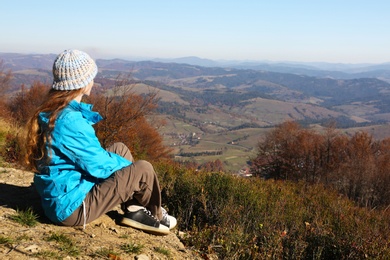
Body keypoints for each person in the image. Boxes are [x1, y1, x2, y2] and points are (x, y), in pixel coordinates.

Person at [25, 49, 176, 235]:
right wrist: (132, 171)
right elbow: (98, 164)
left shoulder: (58, 111)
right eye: (91, 77)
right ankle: (157, 215)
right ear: (81, 83)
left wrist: (128, 173)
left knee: (119, 148)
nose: (93, 81)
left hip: (66, 194)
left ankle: (134, 210)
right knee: (143, 169)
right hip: (71, 208)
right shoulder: (70, 121)